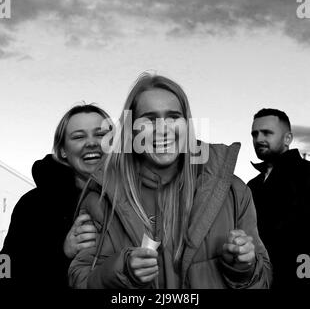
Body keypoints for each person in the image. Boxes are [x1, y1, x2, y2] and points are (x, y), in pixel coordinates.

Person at [69, 74, 271, 289]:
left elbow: (264, 279)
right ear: (131, 129)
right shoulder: (102, 196)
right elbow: (80, 281)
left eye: (173, 117)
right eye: (149, 119)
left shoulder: (232, 190)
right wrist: (122, 270)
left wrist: (243, 268)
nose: (163, 129)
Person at [1, 103, 112, 288]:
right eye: (78, 136)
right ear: (62, 151)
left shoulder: (137, 198)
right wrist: (62, 252)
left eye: (101, 135)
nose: (92, 142)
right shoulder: (33, 205)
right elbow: (5, 271)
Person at [248, 108, 310, 289]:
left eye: (267, 132)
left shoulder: (307, 175)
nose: (258, 139)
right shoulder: (251, 186)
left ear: (288, 138)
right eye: (254, 134)